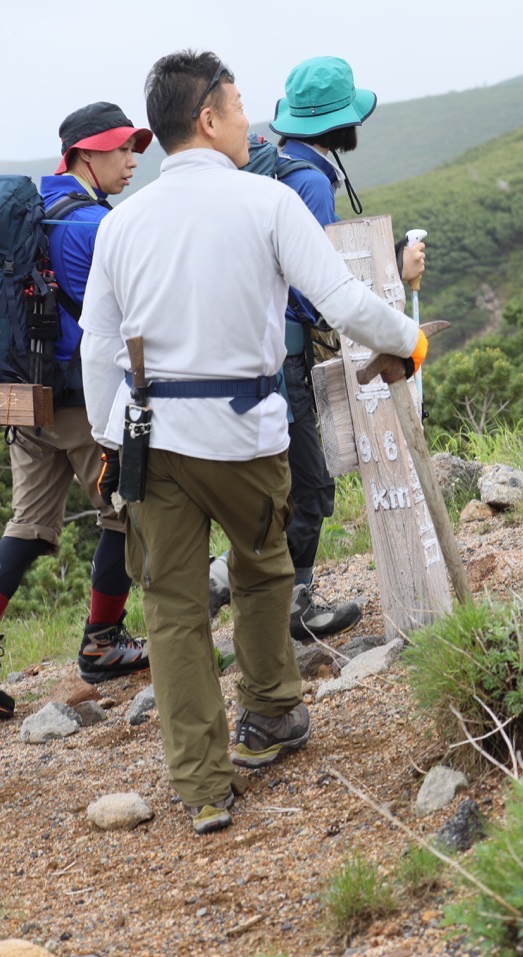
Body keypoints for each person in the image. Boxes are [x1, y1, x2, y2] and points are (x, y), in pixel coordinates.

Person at [80, 50, 427, 834]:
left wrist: (109, 444)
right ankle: (271, 715)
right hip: (246, 435)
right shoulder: (266, 203)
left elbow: (97, 349)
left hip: (152, 441)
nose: (248, 122)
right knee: (264, 567)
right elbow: (340, 299)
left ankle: (202, 787)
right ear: (207, 117)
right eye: (237, 107)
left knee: (171, 607)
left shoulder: (122, 223)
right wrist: (409, 338)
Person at [0, 103, 154, 720]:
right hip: (79, 402)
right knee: (124, 514)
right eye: (120, 149)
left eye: (135, 147)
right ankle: (103, 642)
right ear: (84, 154)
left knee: (29, 524)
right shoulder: (91, 226)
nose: (133, 160)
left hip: (22, 399)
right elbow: (122, 318)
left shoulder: (29, 215)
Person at [209, 56, 426, 643]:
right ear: (340, 124)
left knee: (276, 478)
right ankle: (282, 600)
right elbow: (321, 283)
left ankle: (235, 583)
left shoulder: (270, 166)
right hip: (284, 354)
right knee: (310, 486)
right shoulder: (308, 181)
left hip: (239, 349)